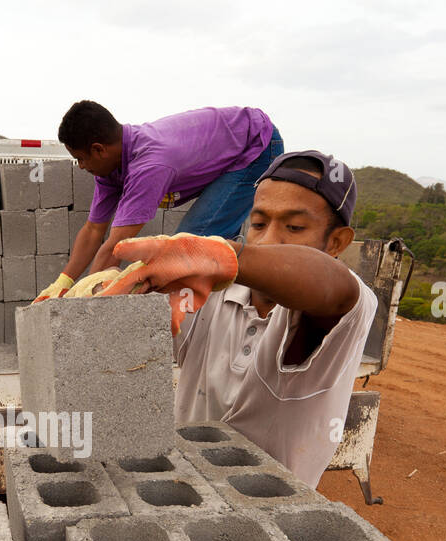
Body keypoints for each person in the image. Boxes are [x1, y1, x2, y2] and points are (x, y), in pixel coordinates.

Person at [98, 149, 377, 488]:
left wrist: (225, 257)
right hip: (183, 493)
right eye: (258, 224)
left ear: (336, 242)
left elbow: (331, 285)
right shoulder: (211, 295)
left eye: (294, 226)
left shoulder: (344, 305)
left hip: (272, 515)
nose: (269, 239)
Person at [35, 101, 283, 301]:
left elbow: (117, 245)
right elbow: (93, 230)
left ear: (99, 149)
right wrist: (63, 283)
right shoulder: (110, 167)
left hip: (255, 147)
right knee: (193, 251)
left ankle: (248, 300)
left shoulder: (149, 165)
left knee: (187, 247)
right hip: (234, 142)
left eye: (80, 159)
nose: (80, 166)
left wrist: (84, 299)